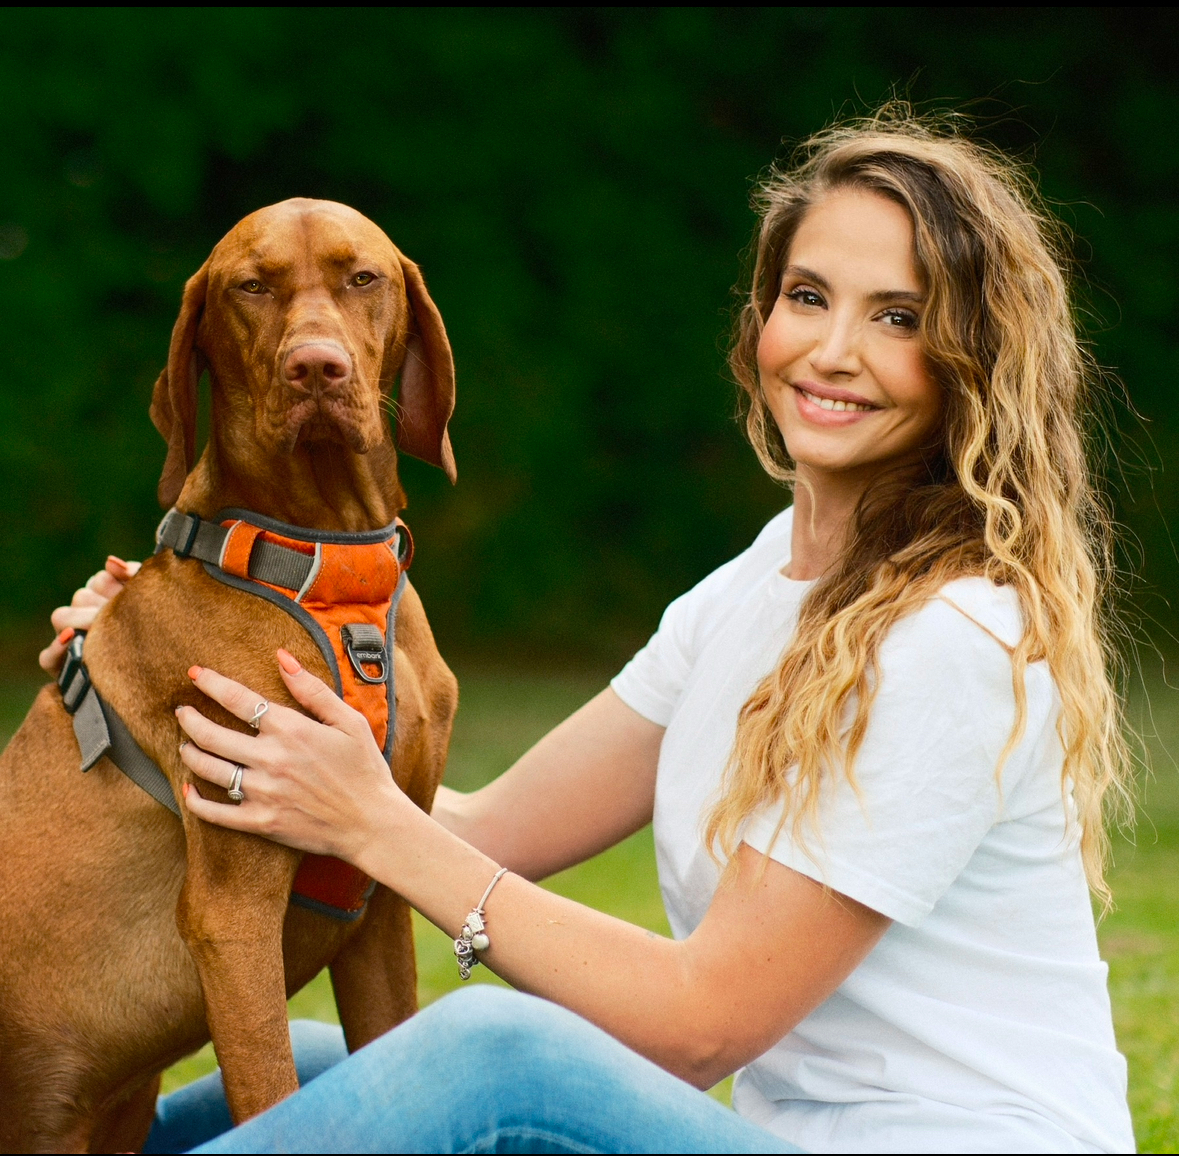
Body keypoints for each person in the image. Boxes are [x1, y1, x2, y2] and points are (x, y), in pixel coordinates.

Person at [44, 109, 1136, 1154]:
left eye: (897, 317)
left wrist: (376, 826)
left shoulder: (950, 637)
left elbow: (703, 1022)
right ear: (760, 320)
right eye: (809, 296)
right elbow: (476, 828)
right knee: (323, 1065)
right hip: (769, 1139)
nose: (835, 349)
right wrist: (160, 677)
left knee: (490, 1048)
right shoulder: (763, 582)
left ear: (971, 360)